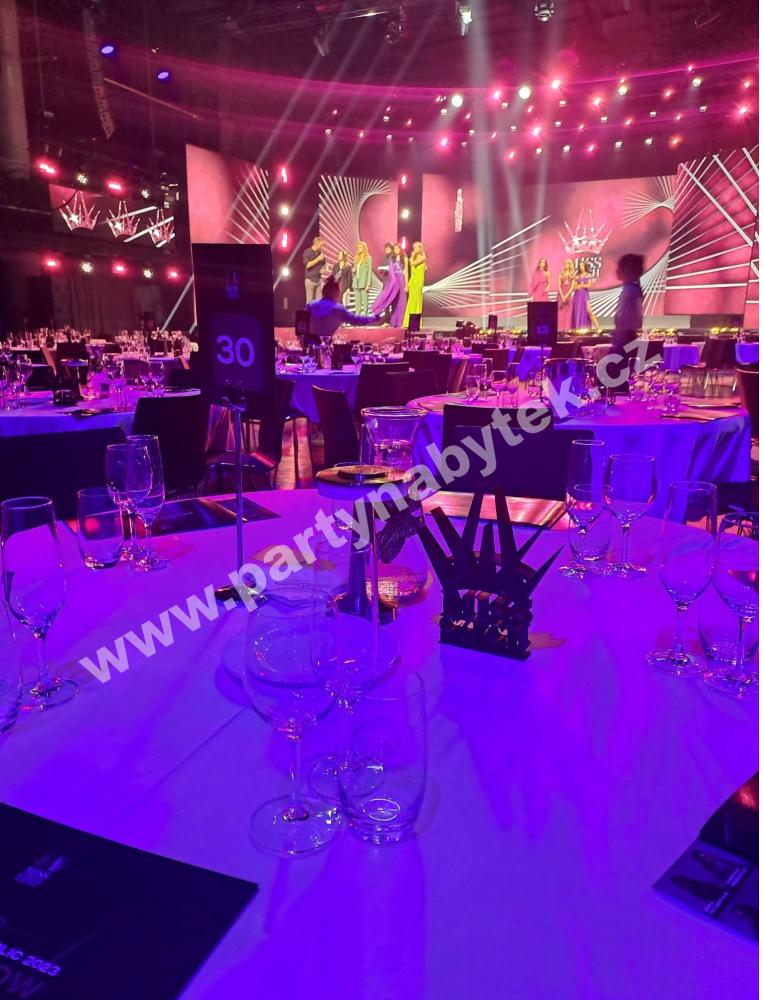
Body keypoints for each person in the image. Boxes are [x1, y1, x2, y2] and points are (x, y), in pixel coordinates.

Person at [306, 276, 380, 340]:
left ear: (323, 292)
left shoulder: (311, 305)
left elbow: (303, 325)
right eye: (339, 294)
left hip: (309, 344)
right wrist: (374, 318)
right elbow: (357, 320)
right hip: (325, 345)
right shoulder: (338, 309)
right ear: (336, 294)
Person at [613, 253, 645, 352]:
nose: (616, 271)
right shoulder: (634, 289)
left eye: (619, 268)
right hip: (628, 337)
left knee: (620, 360)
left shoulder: (630, 290)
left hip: (625, 338)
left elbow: (624, 317)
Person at [372, 243, 408, 328]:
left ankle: (401, 322)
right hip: (393, 281)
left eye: (397, 248)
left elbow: (406, 272)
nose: (396, 250)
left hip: (401, 280)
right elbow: (391, 272)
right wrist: (392, 282)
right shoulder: (392, 259)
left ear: (400, 249)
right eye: (395, 249)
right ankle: (393, 322)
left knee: (401, 301)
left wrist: (406, 285)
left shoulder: (405, 258)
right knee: (394, 301)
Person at [571, 260, 600, 331]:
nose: (581, 267)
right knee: (577, 311)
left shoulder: (588, 275)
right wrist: (583, 285)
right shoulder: (577, 276)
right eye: (580, 266)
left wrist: (580, 285)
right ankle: (578, 328)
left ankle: (598, 327)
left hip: (585, 295)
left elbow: (589, 285)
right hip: (577, 295)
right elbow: (575, 287)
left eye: (582, 266)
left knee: (589, 311)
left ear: (585, 266)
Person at [403, 241, 426, 328]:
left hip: (418, 280)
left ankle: (415, 323)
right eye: (414, 248)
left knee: (417, 301)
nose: (415, 249)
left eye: (417, 247)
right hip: (412, 280)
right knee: (411, 301)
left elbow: (412, 263)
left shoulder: (423, 257)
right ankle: (407, 322)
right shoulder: (413, 258)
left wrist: (412, 256)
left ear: (420, 248)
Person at [352, 242, 373, 316]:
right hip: (356, 283)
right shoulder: (356, 258)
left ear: (364, 248)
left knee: (365, 302)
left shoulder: (368, 258)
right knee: (357, 303)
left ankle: (365, 318)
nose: (359, 249)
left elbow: (369, 272)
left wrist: (368, 284)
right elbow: (356, 271)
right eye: (358, 247)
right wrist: (354, 270)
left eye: (361, 247)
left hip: (364, 283)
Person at [303, 237, 325, 305]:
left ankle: (317, 312)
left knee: (318, 302)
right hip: (310, 280)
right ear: (316, 244)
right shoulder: (307, 252)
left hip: (318, 280)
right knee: (310, 302)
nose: (322, 247)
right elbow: (307, 265)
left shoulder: (320, 253)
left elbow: (324, 264)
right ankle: (309, 312)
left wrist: (324, 269)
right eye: (321, 245)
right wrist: (317, 259)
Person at [557, 259, 575, 331]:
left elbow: (572, 287)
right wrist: (562, 296)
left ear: (570, 265)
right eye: (565, 263)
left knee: (568, 314)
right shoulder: (561, 274)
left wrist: (566, 296)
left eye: (567, 263)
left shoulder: (572, 275)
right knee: (560, 313)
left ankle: (567, 330)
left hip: (568, 295)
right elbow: (559, 286)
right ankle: (559, 330)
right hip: (560, 295)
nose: (565, 265)